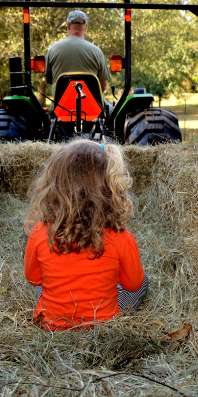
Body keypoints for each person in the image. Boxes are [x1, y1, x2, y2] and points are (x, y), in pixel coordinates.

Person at [23, 139, 148, 331]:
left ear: (53, 185)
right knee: (142, 283)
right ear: (110, 189)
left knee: (45, 283)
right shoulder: (121, 236)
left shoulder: (40, 231)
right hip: (102, 324)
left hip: (51, 324)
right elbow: (133, 284)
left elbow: (33, 279)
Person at [45, 10, 111, 92]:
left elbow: (48, 79)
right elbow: (103, 86)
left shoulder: (53, 49)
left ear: (68, 25)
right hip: (89, 104)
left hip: (60, 104)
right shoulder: (97, 51)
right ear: (86, 27)